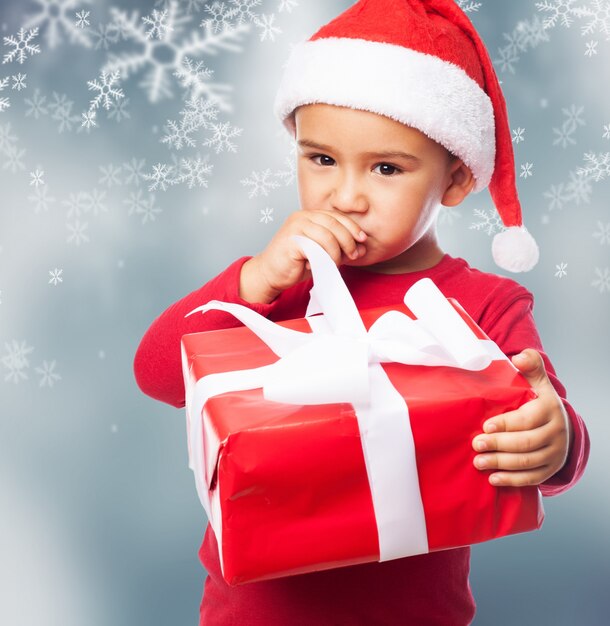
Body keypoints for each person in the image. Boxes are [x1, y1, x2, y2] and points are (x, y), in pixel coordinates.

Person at [133, 1, 590, 624]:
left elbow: (548, 442)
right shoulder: (283, 283)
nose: (345, 197)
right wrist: (256, 279)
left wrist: (554, 435)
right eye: (321, 159)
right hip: (254, 612)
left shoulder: (485, 304)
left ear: (455, 181)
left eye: (385, 168)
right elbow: (158, 375)